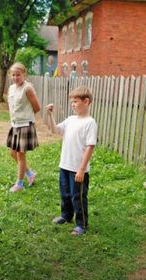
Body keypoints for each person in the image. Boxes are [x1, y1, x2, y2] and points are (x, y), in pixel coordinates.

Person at [46, 87, 97, 236]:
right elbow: (55, 130)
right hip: (65, 165)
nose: (72, 104)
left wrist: (81, 169)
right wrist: (50, 115)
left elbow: (90, 146)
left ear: (86, 101)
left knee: (78, 196)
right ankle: (66, 215)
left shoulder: (90, 122)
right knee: (65, 193)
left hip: (78, 169)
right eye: (71, 102)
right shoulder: (70, 120)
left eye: (75, 101)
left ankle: (81, 224)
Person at [6, 62, 41, 192]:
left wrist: (26, 116)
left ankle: (19, 184)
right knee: (12, 153)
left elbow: (37, 107)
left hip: (25, 125)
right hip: (14, 125)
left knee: (21, 155)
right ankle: (30, 174)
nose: (15, 77)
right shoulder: (11, 88)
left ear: (24, 74)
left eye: (18, 75)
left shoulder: (28, 88)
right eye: (13, 75)